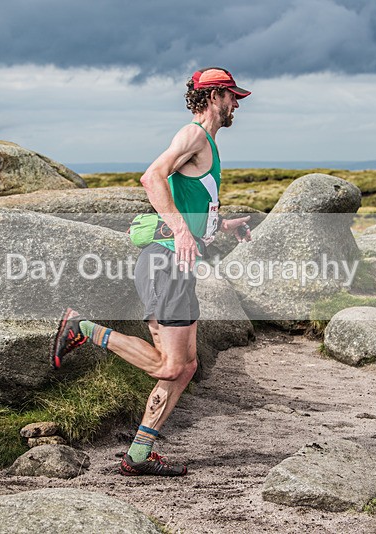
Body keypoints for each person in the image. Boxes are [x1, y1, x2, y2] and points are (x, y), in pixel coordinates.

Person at [51, 67, 252, 476]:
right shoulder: (194, 135)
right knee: (171, 367)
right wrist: (180, 229)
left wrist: (220, 226)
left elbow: (191, 203)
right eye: (232, 96)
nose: (236, 104)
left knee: (185, 367)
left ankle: (139, 454)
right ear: (214, 96)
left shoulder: (208, 144)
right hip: (165, 263)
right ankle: (83, 328)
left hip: (176, 266)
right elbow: (152, 177)